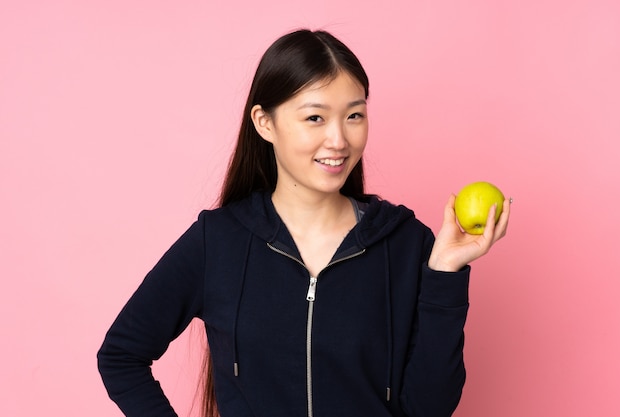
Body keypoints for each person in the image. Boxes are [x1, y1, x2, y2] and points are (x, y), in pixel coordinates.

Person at [97, 29, 510, 417]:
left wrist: (444, 275)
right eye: (315, 118)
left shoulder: (406, 244)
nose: (338, 140)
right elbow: (121, 355)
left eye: (354, 116)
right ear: (265, 123)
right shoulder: (219, 241)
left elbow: (429, 408)